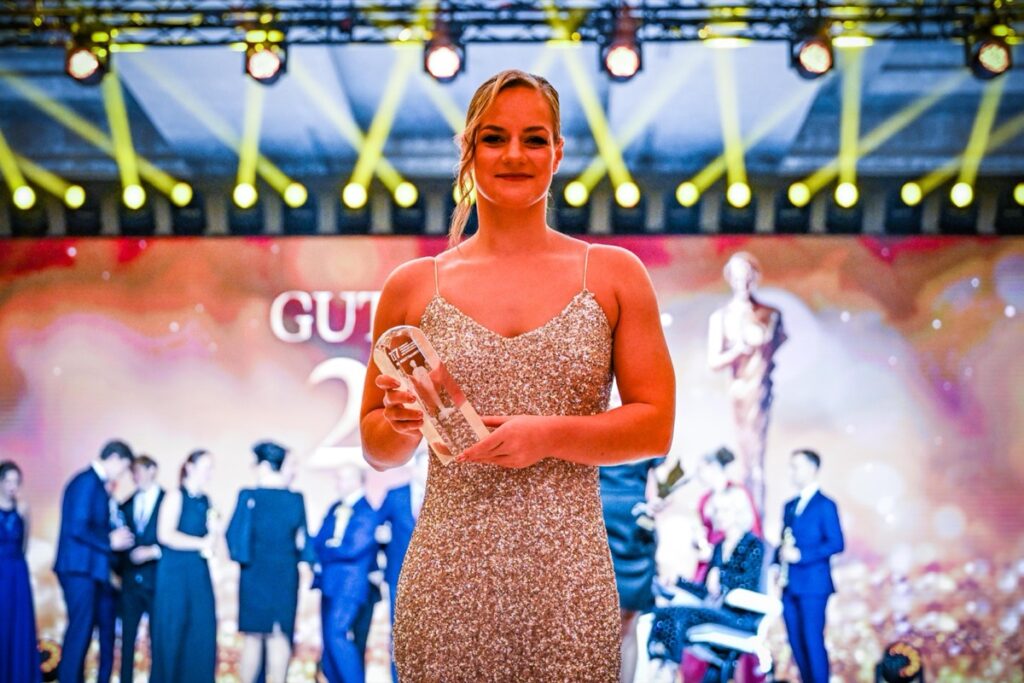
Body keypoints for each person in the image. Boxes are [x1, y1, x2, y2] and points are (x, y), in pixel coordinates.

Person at [360, 69, 676, 682]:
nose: (514, 154)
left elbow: (655, 426)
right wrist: (401, 425)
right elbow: (378, 449)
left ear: (558, 152)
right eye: (494, 138)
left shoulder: (613, 274)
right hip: (446, 583)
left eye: (534, 139)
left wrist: (546, 435)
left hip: (570, 585)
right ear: (468, 149)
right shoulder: (412, 286)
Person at [648, 488, 764, 677]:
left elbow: (748, 584)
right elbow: (706, 591)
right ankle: (660, 661)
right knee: (662, 612)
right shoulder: (719, 547)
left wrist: (721, 578)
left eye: (724, 510)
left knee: (679, 613)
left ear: (738, 512)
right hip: (715, 609)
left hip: (739, 616)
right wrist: (678, 581)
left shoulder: (753, 545)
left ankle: (669, 667)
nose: (718, 516)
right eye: (716, 511)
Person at [227, 441, 313, 683]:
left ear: (264, 465)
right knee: (279, 636)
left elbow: (233, 536)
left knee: (253, 637)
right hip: (285, 574)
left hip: (253, 573)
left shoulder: (248, 496)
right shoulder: (295, 499)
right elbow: (303, 541)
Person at [708, 252, 786, 513]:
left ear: (755, 277)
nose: (743, 282)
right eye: (738, 276)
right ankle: (745, 519)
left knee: (757, 462)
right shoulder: (721, 317)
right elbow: (714, 361)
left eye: (747, 276)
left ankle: (757, 522)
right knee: (743, 460)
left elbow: (776, 344)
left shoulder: (770, 315)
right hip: (738, 393)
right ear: (730, 279)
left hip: (761, 391)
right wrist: (737, 351)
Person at [54, 440, 136, 683]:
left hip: (86, 570)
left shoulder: (92, 483)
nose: (122, 474)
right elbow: (77, 527)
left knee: (82, 631)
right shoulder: (87, 482)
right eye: (124, 468)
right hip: (80, 569)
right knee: (79, 632)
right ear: (115, 459)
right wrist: (110, 540)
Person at [776, 449, 845, 683]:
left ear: (813, 468)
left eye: (796, 466)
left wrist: (802, 555)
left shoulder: (825, 505)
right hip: (789, 584)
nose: (792, 471)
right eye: (791, 466)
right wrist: (778, 561)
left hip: (814, 585)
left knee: (812, 641)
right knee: (796, 642)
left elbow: (836, 543)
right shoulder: (790, 505)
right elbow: (784, 541)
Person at [151, 450, 219, 683]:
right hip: (175, 575)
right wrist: (202, 543)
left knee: (201, 632)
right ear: (190, 467)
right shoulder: (175, 496)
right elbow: (165, 534)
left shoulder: (205, 501)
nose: (209, 473)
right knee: (173, 632)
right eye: (206, 467)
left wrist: (214, 534)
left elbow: (211, 541)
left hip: (198, 573)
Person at [312, 462, 380, 683]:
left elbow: (352, 548)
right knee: (329, 640)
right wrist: (330, 547)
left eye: (342, 478)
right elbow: (319, 542)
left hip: (351, 586)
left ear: (356, 480)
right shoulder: (335, 508)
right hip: (329, 583)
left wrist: (329, 548)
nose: (337, 483)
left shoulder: (368, 511)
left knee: (337, 635)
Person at [599, 455, 664, 683]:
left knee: (628, 621)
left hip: (635, 533)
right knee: (592, 620)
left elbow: (665, 477)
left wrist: (661, 498)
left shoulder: (649, 430)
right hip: (596, 524)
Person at [376, 446, 428, 679]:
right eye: (425, 467)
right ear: (414, 468)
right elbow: (375, 529)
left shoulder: (444, 500)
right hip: (398, 576)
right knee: (399, 633)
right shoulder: (395, 495)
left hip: (433, 580)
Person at [117, 455, 165, 683]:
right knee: (127, 641)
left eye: (138, 471)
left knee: (159, 640)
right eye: (133, 472)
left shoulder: (169, 501)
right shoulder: (125, 505)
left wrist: (153, 551)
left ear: (152, 470)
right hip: (130, 583)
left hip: (158, 583)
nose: (135, 476)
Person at [0, 460, 41, 683]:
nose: (12, 486)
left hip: (17, 573)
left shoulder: (23, 508)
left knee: (19, 626)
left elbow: (24, 545)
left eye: (16, 481)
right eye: (8, 481)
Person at [694, 447, 762, 579]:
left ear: (714, 467)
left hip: (734, 560)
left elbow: (753, 529)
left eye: (701, 469)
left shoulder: (739, 493)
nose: (698, 474)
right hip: (712, 557)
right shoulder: (704, 500)